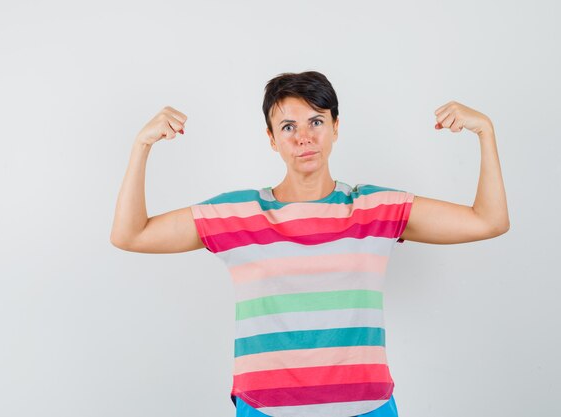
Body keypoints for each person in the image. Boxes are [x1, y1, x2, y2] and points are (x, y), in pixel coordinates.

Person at [110, 71, 510, 417]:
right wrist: (140, 146)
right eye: (288, 127)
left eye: (316, 121)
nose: (304, 137)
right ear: (271, 138)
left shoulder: (376, 208)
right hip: (265, 408)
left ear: (336, 127)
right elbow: (131, 234)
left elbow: (488, 221)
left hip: (366, 407)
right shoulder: (236, 214)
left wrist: (485, 131)